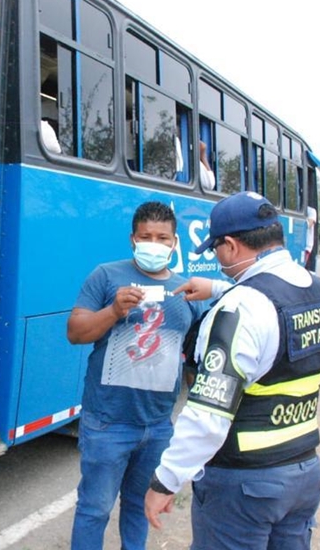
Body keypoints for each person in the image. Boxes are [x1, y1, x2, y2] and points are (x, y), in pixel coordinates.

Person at [144, 191, 320, 549]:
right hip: (303, 473)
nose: (218, 259)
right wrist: (218, 288)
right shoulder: (319, 290)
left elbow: (208, 416)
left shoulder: (238, 309)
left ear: (231, 246)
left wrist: (165, 481)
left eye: (217, 249)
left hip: (244, 485)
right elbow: (271, 300)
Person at [67, 201, 204, 550]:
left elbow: (195, 359)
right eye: (146, 237)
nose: (153, 244)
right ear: (133, 239)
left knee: (139, 506)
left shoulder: (188, 292)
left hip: (158, 425)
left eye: (162, 238)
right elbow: (75, 332)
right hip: (107, 423)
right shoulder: (106, 276)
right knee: (94, 508)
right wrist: (113, 310)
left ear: (174, 243)